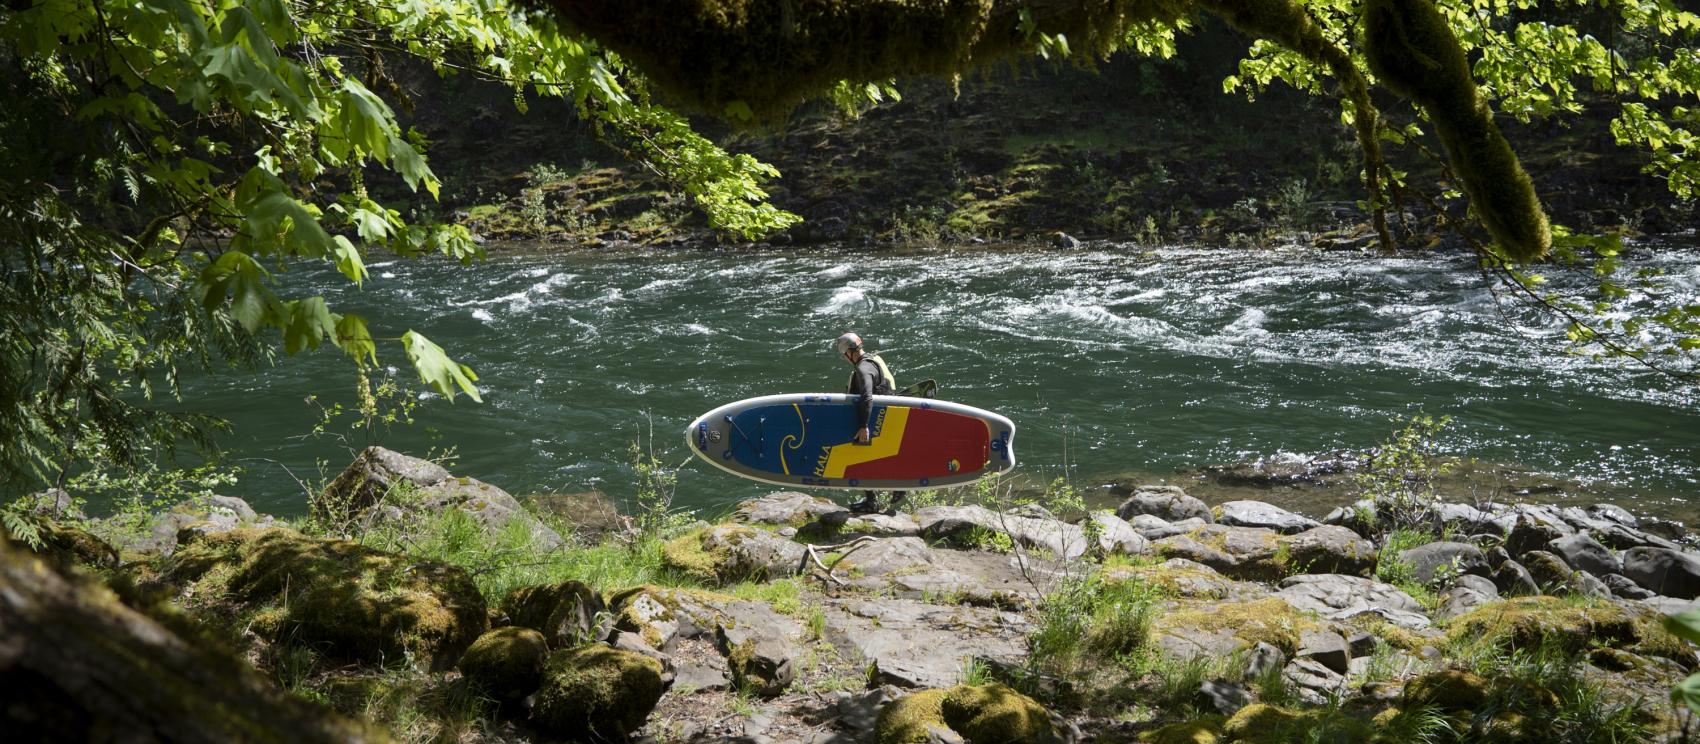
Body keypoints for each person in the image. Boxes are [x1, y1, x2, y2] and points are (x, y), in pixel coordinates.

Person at [832, 332, 906, 514]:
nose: (845, 359)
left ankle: (875, 499)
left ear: (849, 352)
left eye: (845, 356)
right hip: (888, 419)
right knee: (875, 457)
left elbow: (867, 395)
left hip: (870, 420)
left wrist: (864, 425)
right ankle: (897, 485)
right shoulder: (876, 360)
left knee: (855, 458)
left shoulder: (863, 368)